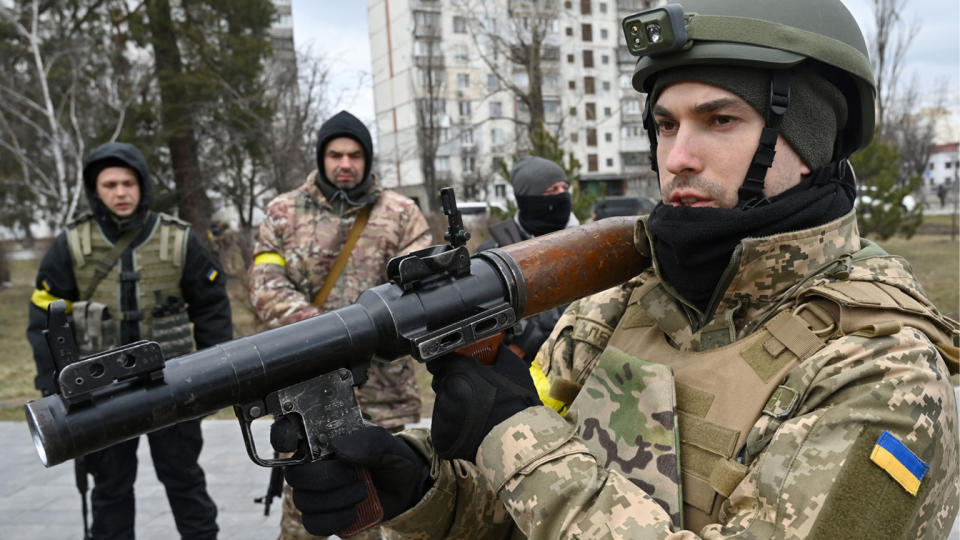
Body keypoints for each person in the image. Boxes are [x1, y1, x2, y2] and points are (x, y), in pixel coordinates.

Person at [278, 1, 960, 538]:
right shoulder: (622, 305)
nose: (678, 157)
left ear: (809, 136)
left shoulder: (882, 369)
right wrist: (427, 492)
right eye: (665, 125)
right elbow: (527, 513)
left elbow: (536, 461)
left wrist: (514, 437)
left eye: (718, 120)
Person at [26, 142, 231, 540]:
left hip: (173, 387)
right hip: (101, 395)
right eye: (110, 184)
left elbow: (212, 310)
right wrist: (55, 388)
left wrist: (214, 377)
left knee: (186, 483)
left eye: (129, 183)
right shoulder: (71, 245)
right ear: (95, 189)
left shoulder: (179, 240)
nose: (121, 193)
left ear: (143, 186)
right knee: (110, 491)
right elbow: (44, 320)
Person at [248, 110, 432, 540]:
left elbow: (423, 296)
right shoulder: (283, 213)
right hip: (305, 397)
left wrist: (366, 337)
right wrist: (326, 335)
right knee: (305, 520)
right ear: (321, 157)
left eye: (354, 154)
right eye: (335, 154)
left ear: (367, 159)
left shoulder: (402, 214)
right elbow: (265, 286)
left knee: (386, 521)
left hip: (386, 399)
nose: (344, 163)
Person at [478, 156, 577, 360]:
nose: (562, 195)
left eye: (564, 188)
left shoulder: (588, 241)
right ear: (529, 200)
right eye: (552, 191)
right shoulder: (496, 253)